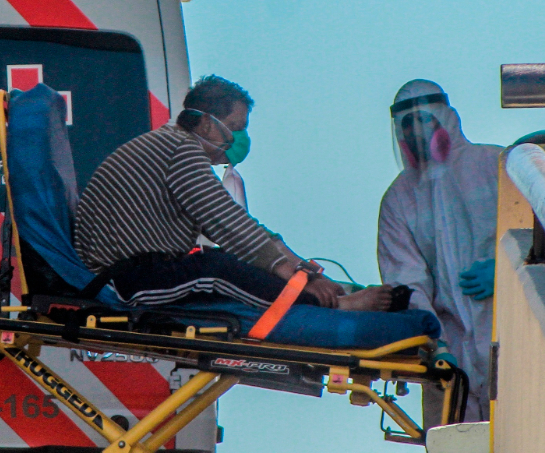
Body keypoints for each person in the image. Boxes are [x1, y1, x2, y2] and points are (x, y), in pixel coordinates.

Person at [74, 75, 392, 312]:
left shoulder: (172, 148)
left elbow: (239, 224)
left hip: (130, 271)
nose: (238, 137)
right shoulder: (180, 152)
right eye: (235, 126)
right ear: (206, 123)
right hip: (122, 282)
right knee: (215, 270)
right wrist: (304, 279)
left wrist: (304, 270)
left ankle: (322, 297)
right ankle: (326, 307)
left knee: (217, 262)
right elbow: (233, 229)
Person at [377, 80, 502, 423]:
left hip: (510, 326)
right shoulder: (400, 198)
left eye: (423, 118)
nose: (416, 130)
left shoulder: (495, 164)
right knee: (457, 436)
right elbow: (405, 278)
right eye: (407, 123)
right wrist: (435, 342)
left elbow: (541, 234)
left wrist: (508, 270)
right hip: (451, 346)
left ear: (445, 117)